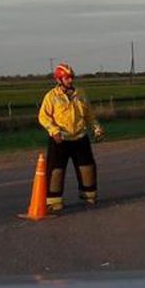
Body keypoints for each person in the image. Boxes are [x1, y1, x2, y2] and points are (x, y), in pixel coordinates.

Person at [38, 63, 105, 210]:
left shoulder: (80, 94)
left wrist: (96, 128)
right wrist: (53, 130)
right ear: (59, 80)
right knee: (56, 170)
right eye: (67, 78)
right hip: (60, 139)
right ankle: (54, 202)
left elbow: (89, 114)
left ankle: (89, 195)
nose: (70, 81)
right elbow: (43, 117)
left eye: (71, 78)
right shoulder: (51, 97)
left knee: (87, 167)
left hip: (80, 137)